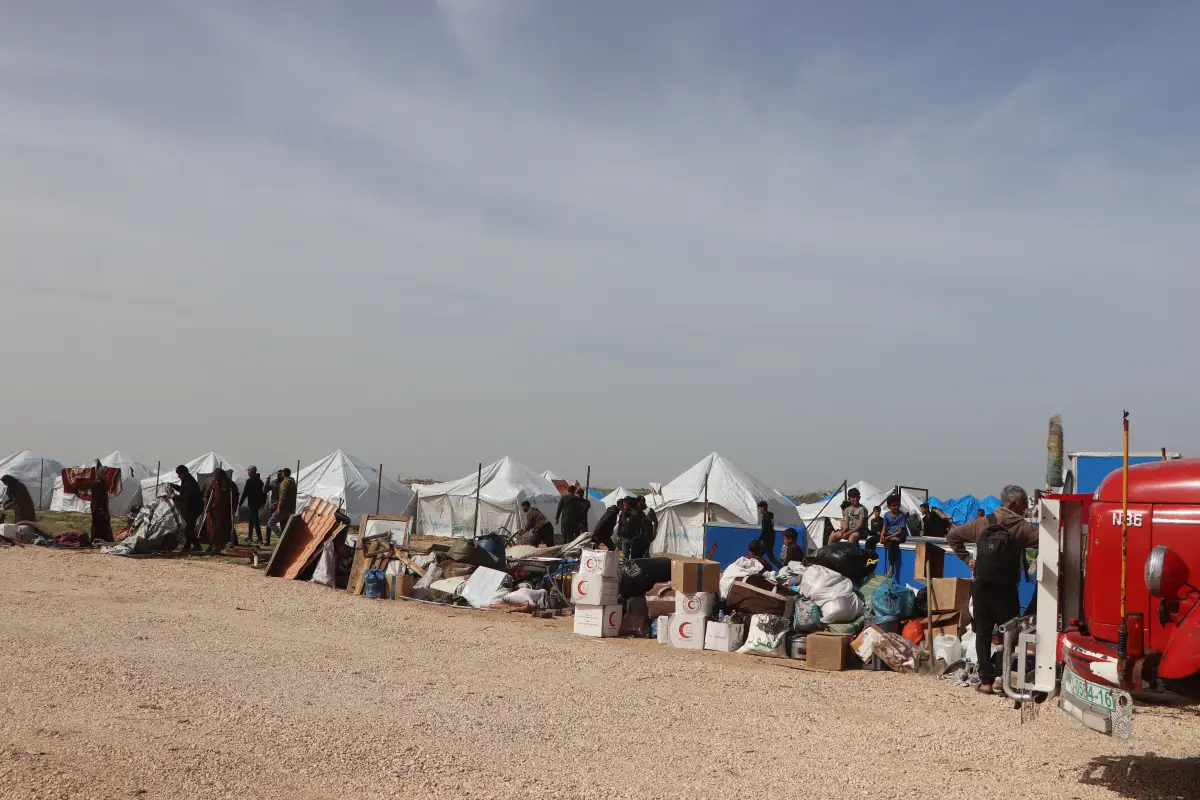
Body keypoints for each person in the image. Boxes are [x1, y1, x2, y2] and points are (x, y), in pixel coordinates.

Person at [947, 485, 1039, 695]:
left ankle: (986, 682)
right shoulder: (1022, 527)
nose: (1025, 511)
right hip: (1007, 590)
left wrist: (968, 559)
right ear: (1014, 503)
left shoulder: (982, 522)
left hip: (981, 587)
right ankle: (1000, 677)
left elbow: (953, 536)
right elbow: (1049, 539)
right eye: (1024, 507)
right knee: (1010, 634)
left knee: (983, 635)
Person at [168, 465, 203, 552]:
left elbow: (186, 496)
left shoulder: (190, 483)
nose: (179, 476)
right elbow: (183, 490)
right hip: (189, 508)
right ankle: (187, 547)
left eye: (180, 474)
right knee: (189, 529)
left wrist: (174, 496)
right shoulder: (186, 481)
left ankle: (197, 546)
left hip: (193, 509)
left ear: (185, 473)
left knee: (189, 530)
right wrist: (173, 485)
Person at [204, 469, 233, 553]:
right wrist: (207, 506)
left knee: (222, 530)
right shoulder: (213, 483)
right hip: (213, 511)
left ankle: (219, 547)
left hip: (225, 512)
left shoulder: (229, 484)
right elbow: (207, 496)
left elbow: (234, 496)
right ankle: (212, 545)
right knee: (212, 529)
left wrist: (233, 508)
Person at [880, 495, 908, 578]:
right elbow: (884, 528)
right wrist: (882, 536)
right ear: (889, 506)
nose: (896, 507)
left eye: (898, 505)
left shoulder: (901, 516)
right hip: (890, 534)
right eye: (894, 505)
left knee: (891, 544)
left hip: (900, 535)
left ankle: (891, 567)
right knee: (873, 540)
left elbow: (900, 531)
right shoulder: (886, 515)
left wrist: (888, 538)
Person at [268, 468, 297, 544]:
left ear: (283, 474)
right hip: (291, 508)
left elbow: (283, 497)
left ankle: (282, 538)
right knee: (284, 526)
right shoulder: (293, 483)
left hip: (284, 508)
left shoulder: (284, 483)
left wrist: (279, 507)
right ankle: (287, 542)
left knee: (271, 522)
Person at [240, 467, 267, 545]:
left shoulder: (250, 481)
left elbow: (245, 492)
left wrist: (240, 503)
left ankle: (260, 539)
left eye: (248, 471)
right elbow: (264, 493)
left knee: (255, 520)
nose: (247, 472)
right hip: (258, 503)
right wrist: (263, 503)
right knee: (251, 519)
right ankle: (249, 537)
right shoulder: (260, 481)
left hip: (253, 503)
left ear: (251, 472)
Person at [756, 500, 784, 570]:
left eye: (759, 508)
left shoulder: (765, 516)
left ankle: (781, 568)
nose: (759, 510)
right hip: (770, 539)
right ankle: (761, 569)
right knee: (761, 556)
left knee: (761, 557)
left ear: (763, 507)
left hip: (766, 541)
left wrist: (759, 540)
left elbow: (765, 530)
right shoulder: (770, 515)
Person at [89, 459, 112, 542]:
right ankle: (97, 539)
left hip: (102, 506)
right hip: (98, 507)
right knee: (99, 523)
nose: (106, 475)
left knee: (104, 523)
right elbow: (96, 499)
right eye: (104, 473)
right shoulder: (97, 484)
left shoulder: (102, 483)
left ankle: (104, 539)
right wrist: (101, 509)